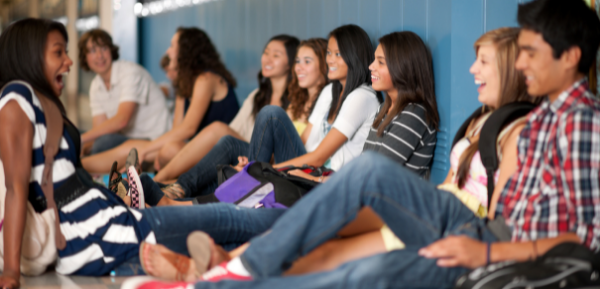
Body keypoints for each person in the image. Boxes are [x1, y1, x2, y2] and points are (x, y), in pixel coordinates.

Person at [122, 0, 600, 288]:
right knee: (336, 206)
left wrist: (489, 253)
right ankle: (220, 259)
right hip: (475, 224)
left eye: (531, 54)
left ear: (571, 56)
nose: (523, 65)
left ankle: (219, 264)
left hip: (492, 237)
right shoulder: (541, 118)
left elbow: (582, 242)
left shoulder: (579, 123)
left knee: (360, 268)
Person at [0, 19, 284, 289]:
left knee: (225, 236)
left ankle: (205, 259)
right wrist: (11, 273)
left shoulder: (32, 100)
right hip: (106, 229)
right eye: (58, 52)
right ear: (30, 57)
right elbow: (15, 188)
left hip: (100, 233)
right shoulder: (17, 98)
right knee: (235, 220)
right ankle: (301, 220)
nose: (69, 61)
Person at [139, 24, 392, 205]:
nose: (331, 59)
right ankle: (177, 188)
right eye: (329, 53)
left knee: (271, 115)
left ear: (354, 56)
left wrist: (261, 168)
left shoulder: (361, 96)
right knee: (230, 142)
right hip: (305, 166)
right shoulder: (330, 91)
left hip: (322, 181)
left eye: (338, 54)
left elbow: (318, 158)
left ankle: (186, 195)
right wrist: (258, 166)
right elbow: (304, 145)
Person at [82, 27, 240, 173]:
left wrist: (148, 150)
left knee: (164, 149)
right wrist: (150, 150)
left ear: (186, 50)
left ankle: (156, 184)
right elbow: (177, 130)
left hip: (222, 150)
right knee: (134, 147)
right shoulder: (183, 85)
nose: (168, 51)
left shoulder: (206, 79)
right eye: (92, 51)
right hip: (197, 146)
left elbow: (188, 128)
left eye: (172, 46)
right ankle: (78, 168)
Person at [151, 35, 300, 182]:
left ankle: (157, 181)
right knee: (174, 148)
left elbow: (285, 146)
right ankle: (167, 183)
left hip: (270, 160)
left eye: (276, 55)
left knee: (217, 129)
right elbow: (233, 130)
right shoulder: (256, 96)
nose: (267, 59)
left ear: (290, 63)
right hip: (243, 154)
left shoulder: (297, 100)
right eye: (266, 53)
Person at [78, 29, 169, 155]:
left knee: (102, 143)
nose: (99, 56)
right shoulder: (96, 85)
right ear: (85, 57)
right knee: (78, 134)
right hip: (130, 138)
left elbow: (122, 120)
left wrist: (80, 140)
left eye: (104, 48)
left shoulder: (129, 72)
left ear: (111, 50)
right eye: (93, 51)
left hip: (153, 137)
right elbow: (99, 128)